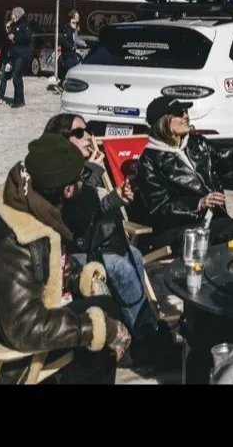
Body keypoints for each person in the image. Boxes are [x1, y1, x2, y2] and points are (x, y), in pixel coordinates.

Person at [0, 134, 132, 383]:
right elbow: (24, 328)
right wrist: (96, 330)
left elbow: (44, 262)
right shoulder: (14, 240)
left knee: (105, 308)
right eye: (82, 179)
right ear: (68, 189)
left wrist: (78, 277)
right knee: (100, 337)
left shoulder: (26, 202)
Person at [42, 112, 176, 366]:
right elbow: (74, 219)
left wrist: (116, 198)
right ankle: (146, 339)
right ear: (62, 139)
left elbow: (95, 209)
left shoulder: (82, 167)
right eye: (79, 133)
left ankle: (139, 332)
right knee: (119, 266)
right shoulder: (57, 171)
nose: (88, 137)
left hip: (95, 244)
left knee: (134, 255)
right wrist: (92, 172)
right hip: (70, 254)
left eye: (88, 130)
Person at [132, 96, 233, 255]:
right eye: (179, 113)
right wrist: (198, 203)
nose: (185, 116)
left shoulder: (197, 144)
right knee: (231, 231)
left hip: (207, 222)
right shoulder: (149, 161)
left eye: (185, 111)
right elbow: (160, 209)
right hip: (173, 229)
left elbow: (228, 159)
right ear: (163, 121)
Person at [0, 7, 31, 108]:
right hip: (15, 54)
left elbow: (28, 38)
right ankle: (19, 99)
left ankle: (18, 100)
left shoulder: (23, 25)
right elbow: (9, 38)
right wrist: (8, 30)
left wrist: (15, 38)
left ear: (18, 15)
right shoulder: (14, 25)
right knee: (17, 77)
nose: (11, 16)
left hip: (21, 55)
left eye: (13, 14)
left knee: (16, 76)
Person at [56, 10, 85, 83]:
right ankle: (63, 84)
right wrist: (71, 46)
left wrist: (83, 43)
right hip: (67, 53)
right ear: (73, 17)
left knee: (73, 70)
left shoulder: (74, 28)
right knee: (69, 70)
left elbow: (76, 39)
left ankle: (63, 84)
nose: (79, 17)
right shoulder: (67, 27)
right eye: (77, 16)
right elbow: (63, 40)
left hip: (72, 53)